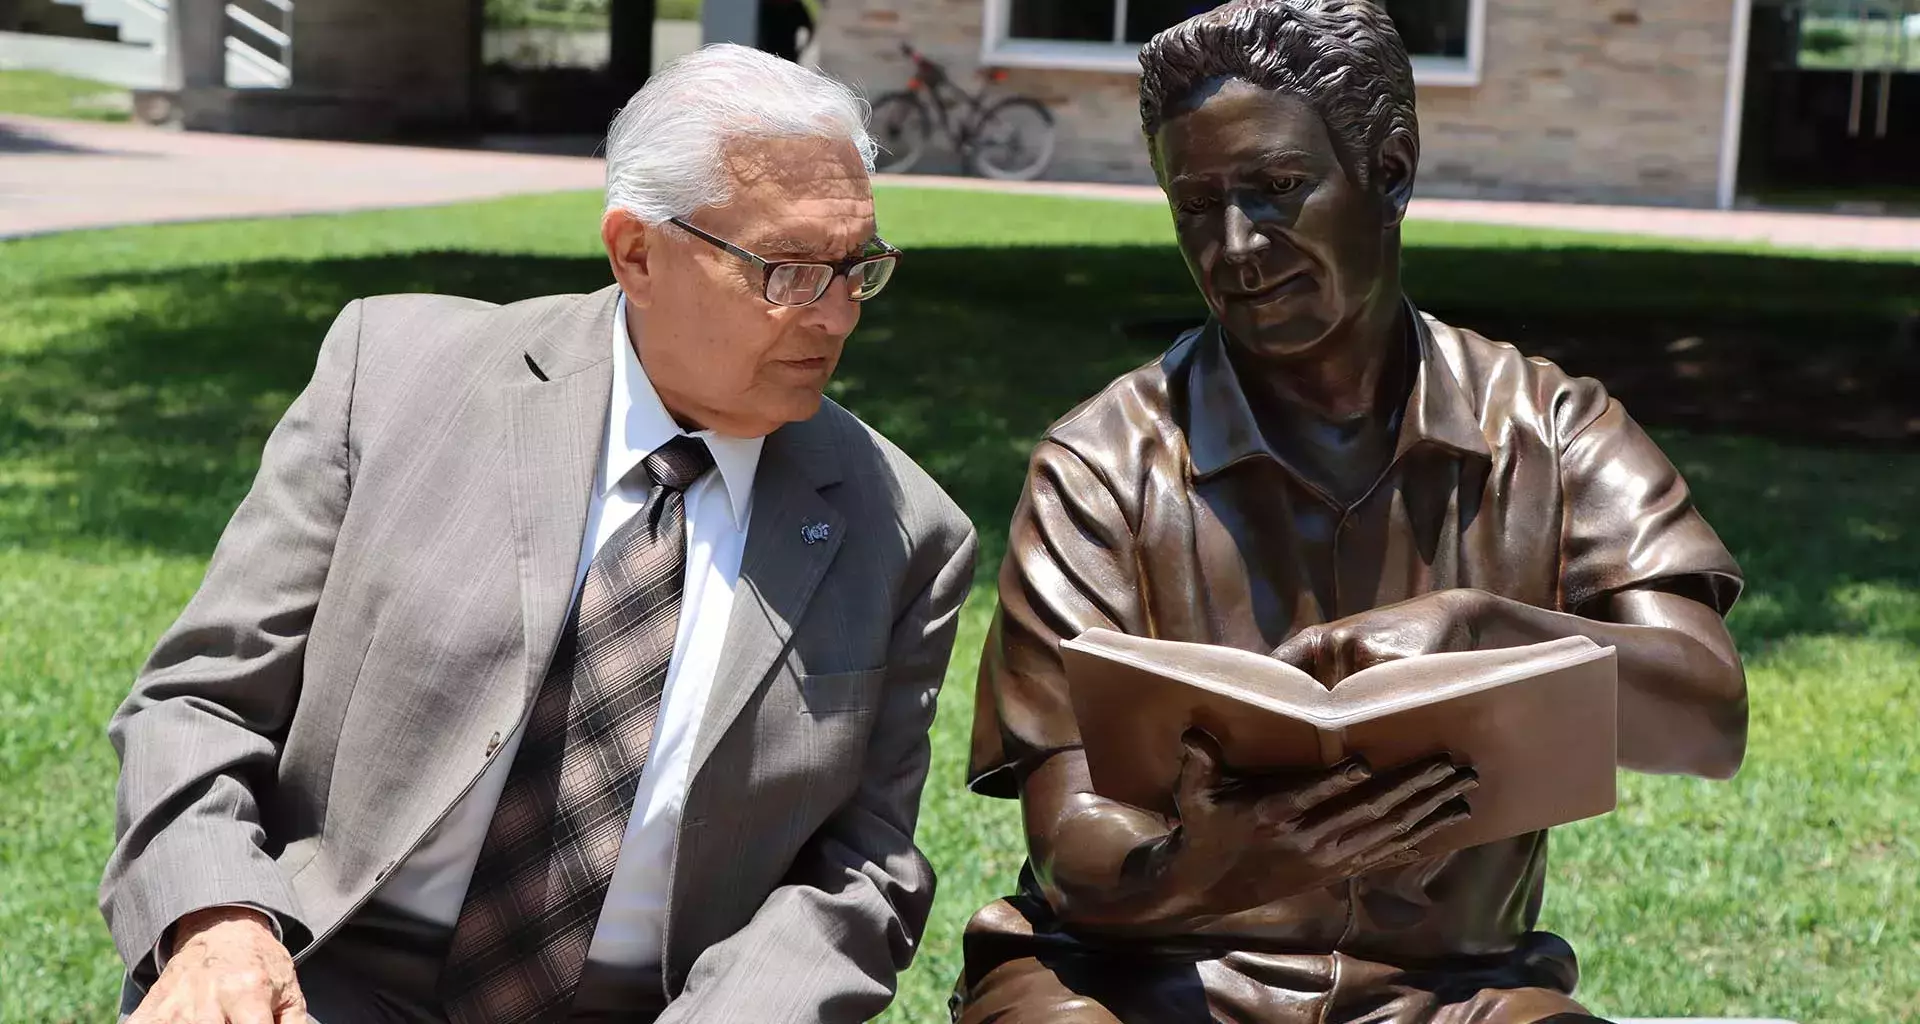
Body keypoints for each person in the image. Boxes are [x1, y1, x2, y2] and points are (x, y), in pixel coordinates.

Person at [102, 44, 976, 1024]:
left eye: (858, 269)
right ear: (636, 252)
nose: (836, 317)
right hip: (326, 969)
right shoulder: (392, 378)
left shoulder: (902, 528)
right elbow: (197, 704)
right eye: (789, 272)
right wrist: (220, 919)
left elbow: (861, 868)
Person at [952, 2, 1748, 1022]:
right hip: (1146, 978)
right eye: (1195, 204)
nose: (1234, 245)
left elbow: (1709, 717)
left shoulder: (1551, 429)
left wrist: (1489, 632)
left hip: (1448, 993)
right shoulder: (1102, 465)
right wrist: (1208, 861)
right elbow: (1065, 836)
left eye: (1276, 190)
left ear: (1391, 171)